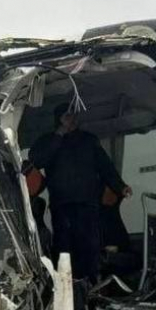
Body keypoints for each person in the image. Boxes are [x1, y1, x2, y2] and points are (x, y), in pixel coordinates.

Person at [29, 102, 131, 281]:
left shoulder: (88, 140)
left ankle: (91, 286)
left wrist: (120, 186)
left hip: (88, 205)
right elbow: (37, 160)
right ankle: (68, 288)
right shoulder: (48, 141)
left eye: (73, 115)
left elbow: (105, 166)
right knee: (64, 249)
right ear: (58, 119)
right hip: (62, 206)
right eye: (66, 116)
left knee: (89, 248)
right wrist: (59, 135)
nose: (72, 119)